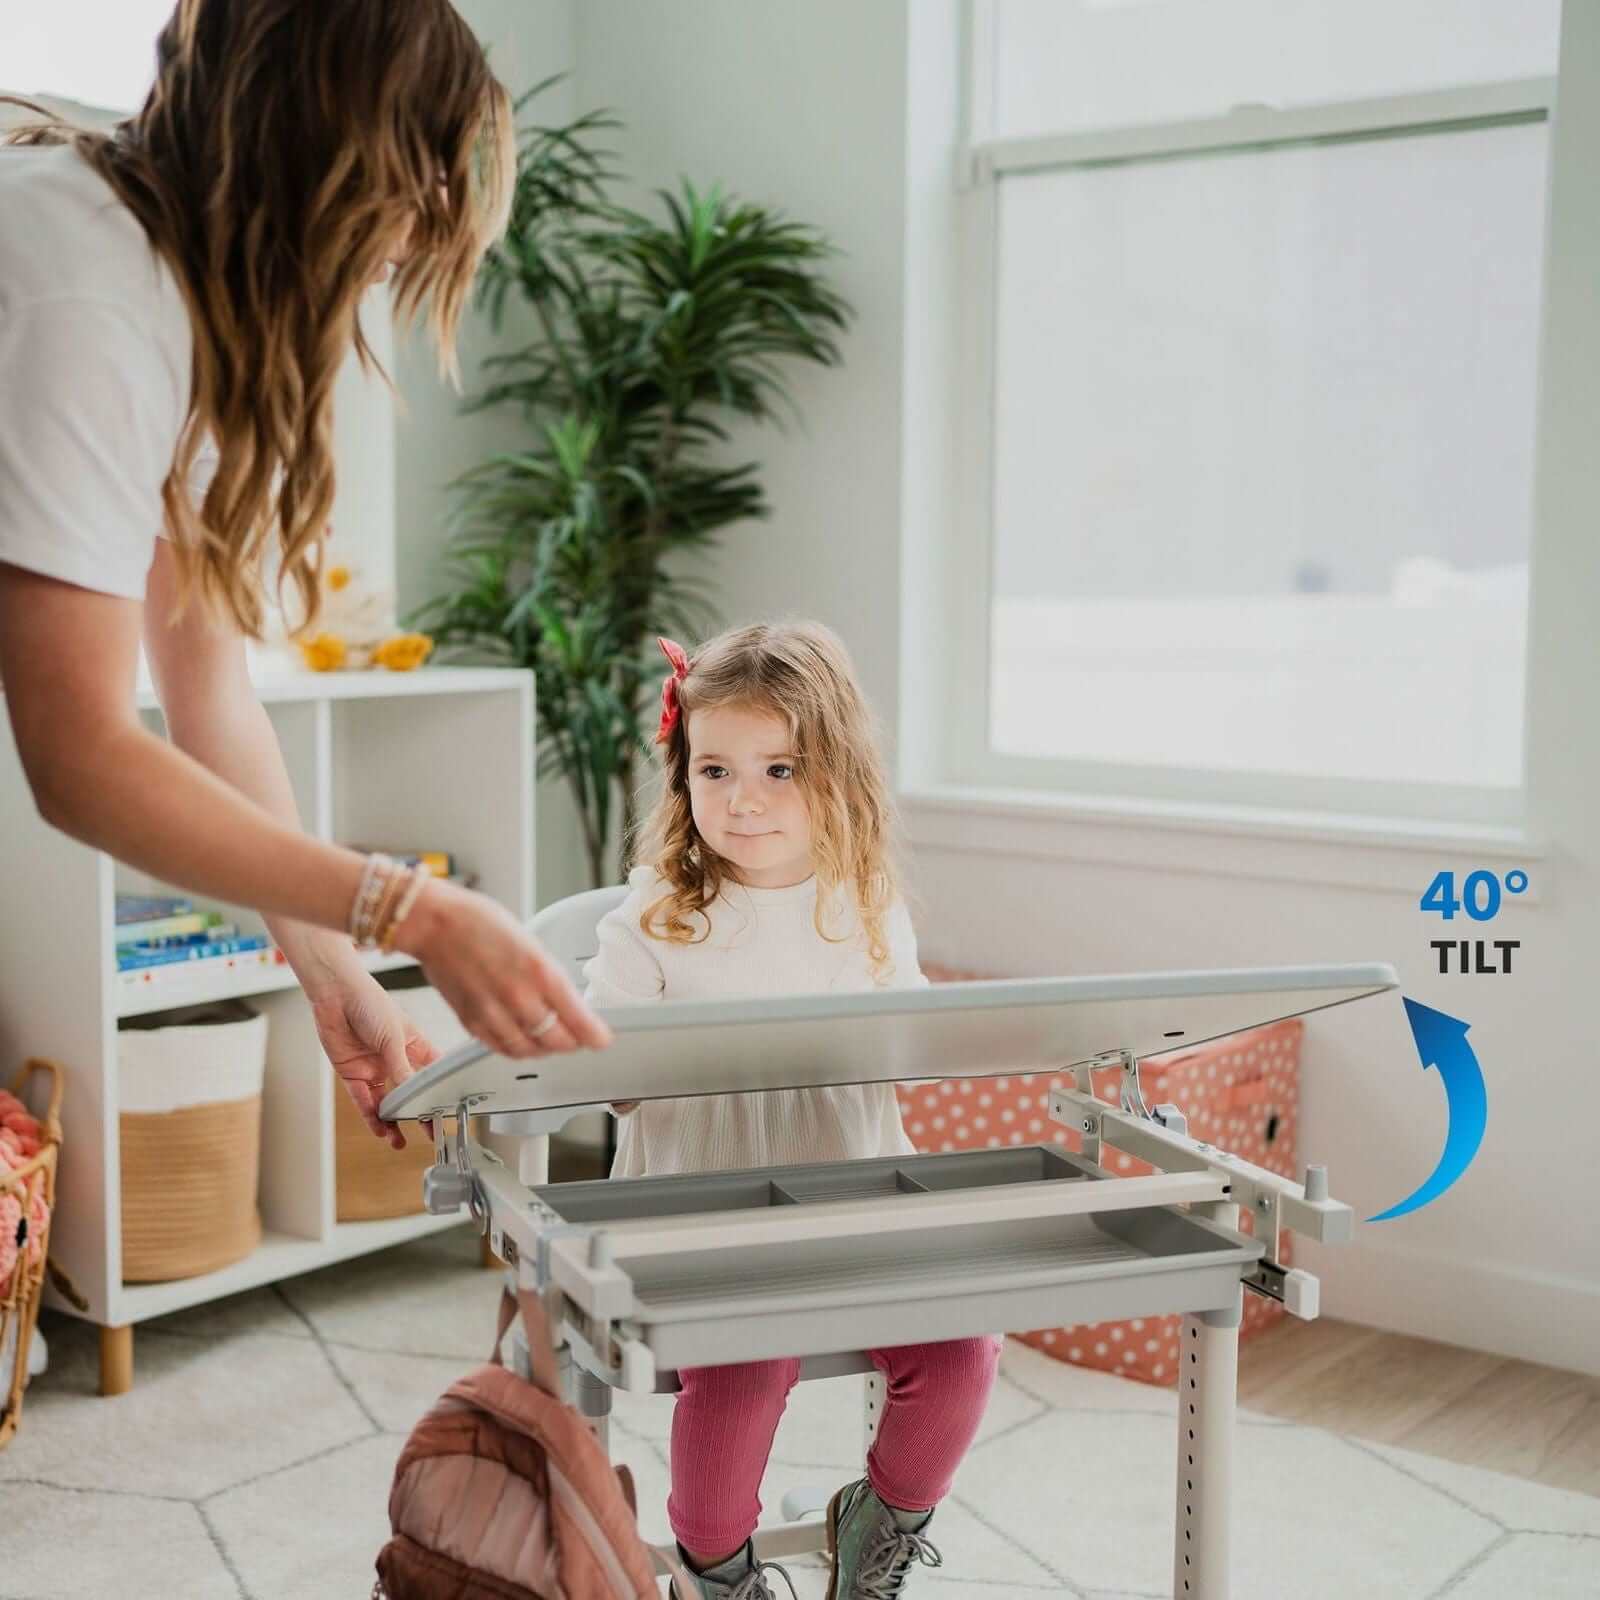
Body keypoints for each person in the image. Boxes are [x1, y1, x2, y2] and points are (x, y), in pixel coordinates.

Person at [0, 0, 611, 1148]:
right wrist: (410, 908)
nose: (411, 238)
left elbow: (208, 697)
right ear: (324, 152)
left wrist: (333, 970)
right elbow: (76, 756)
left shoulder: (192, 317)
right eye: (411, 188)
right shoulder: (90, 285)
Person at [582, 622, 1002, 1600]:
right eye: (714, 769)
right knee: (743, 1367)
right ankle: (717, 1570)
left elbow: (904, 1054)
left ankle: (879, 1530)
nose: (743, 799)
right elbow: (608, 1077)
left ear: (836, 775)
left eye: (778, 768)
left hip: (851, 1210)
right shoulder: (652, 914)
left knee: (962, 1346)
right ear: (681, 775)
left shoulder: (862, 906)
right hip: (703, 1229)